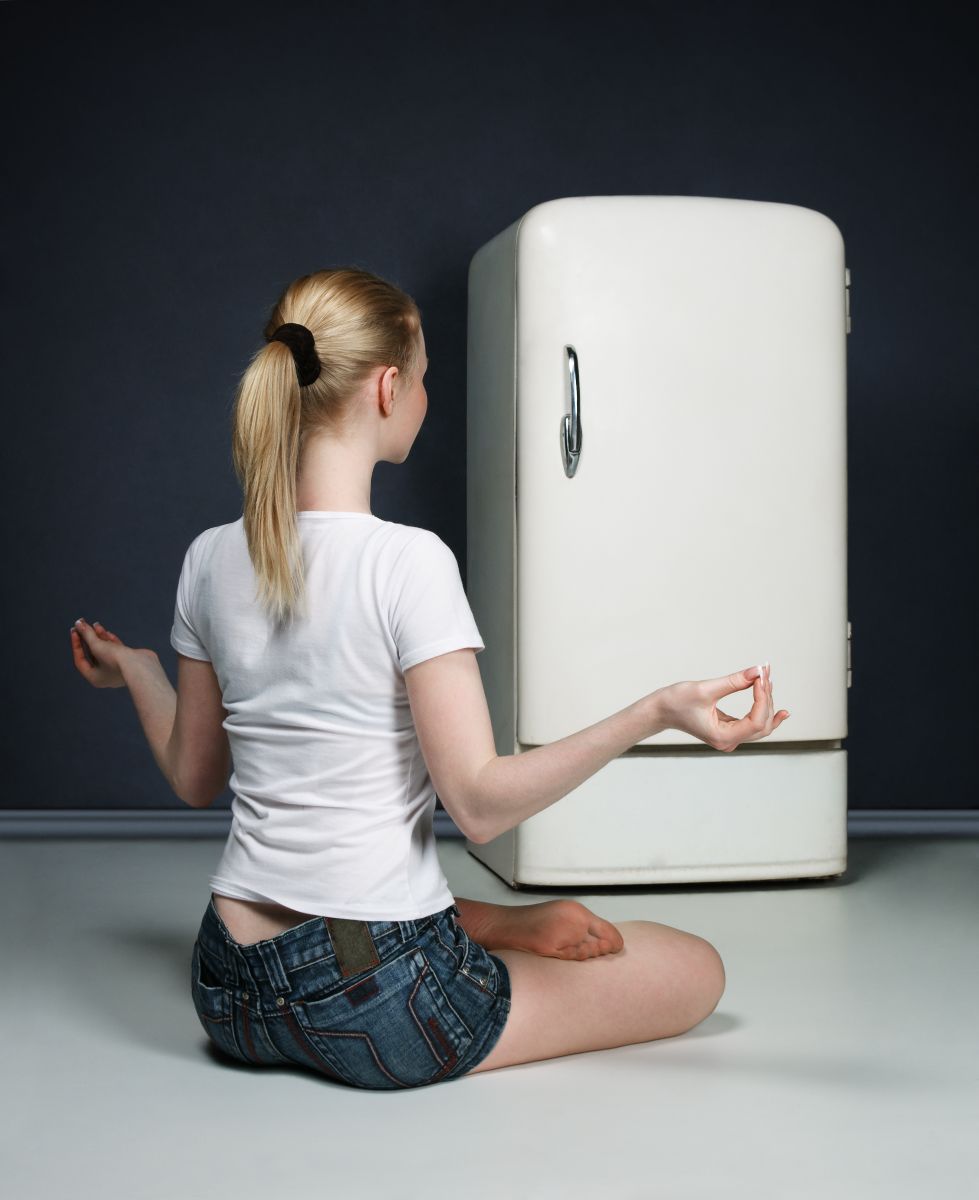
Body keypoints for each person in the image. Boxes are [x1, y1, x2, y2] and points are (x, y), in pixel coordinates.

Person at [70, 266, 789, 1089]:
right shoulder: (407, 562)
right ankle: (472, 934)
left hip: (230, 988)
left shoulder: (208, 557)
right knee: (694, 968)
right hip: (377, 1000)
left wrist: (139, 670)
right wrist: (656, 709)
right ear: (385, 388)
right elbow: (479, 806)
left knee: (374, 919)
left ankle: (493, 925)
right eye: (424, 378)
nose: (423, 395)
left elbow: (195, 779)